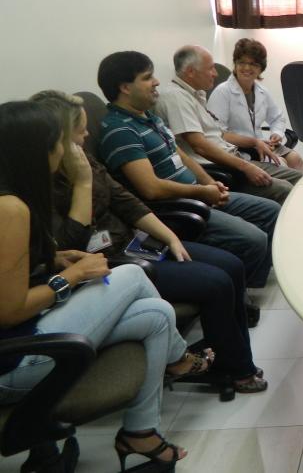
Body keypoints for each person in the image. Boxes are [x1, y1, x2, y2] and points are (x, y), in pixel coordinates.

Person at [0, 101, 208, 470]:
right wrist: (72, 277)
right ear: (37, 150)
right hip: (13, 361)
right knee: (129, 273)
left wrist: (58, 258)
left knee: (158, 314)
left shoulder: (14, 198)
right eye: (59, 143)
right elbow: (9, 310)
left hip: (25, 336)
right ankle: (179, 359)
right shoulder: (9, 209)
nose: (66, 150)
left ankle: (140, 432)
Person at [36, 91, 266, 393]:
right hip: (107, 265)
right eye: (80, 130)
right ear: (59, 138)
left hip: (134, 244)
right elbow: (70, 243)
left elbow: (126, 202)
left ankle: (232, 358)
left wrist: (169, 237)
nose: (88, 134)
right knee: (216, 283)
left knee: (232, 265)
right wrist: (82, 185)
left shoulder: (83, 160)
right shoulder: (43, 182)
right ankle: (235, 369)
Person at [95, 50, 280, 289]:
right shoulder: (119, 131)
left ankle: (251, 281)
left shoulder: (147, 116)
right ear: (125, 88)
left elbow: (178, 153)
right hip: (178, 206)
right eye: (147, 77)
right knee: (253, 238)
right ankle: (244, 292)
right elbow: (150, 189)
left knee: (271, 211)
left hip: (198, 192)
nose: (156, 82)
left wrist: (207, 183)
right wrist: (201, 193)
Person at [154, 45, 302, 204]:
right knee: (286, 188)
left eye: (253, 64)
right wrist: (246, 167)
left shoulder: (196, 95)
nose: (216, 73)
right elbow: (200, 146)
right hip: (222, 169)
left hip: (237, 156)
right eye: (210, 68)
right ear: (190, 71)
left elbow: (218, 134)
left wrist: (256, 142)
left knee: (301, 180)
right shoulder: (176, 98)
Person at [207, 38, 303, 171]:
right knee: (281, 164)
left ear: (261, 68)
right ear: (235, 64)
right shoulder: (222, 92)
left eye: (253, 64)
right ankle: (285, 191)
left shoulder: (262, 91)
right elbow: (218, 134)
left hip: (260, 144)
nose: (247, 68)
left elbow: (277, 118)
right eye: (242, 62)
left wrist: (276, 134)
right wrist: (254, 143)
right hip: (237, 149)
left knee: (295, 159)